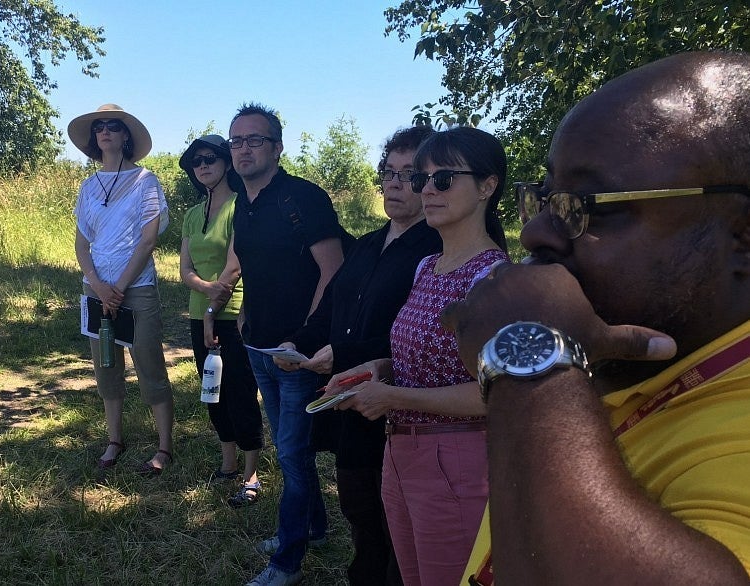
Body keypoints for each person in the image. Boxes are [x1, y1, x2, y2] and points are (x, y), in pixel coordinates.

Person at [441, 51, 750, 585]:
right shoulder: (615, 371)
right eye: (545, 196)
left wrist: (528, 350)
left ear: (743, 235)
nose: (537, 231)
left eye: (591, 204)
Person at [327, 127, 510, 586]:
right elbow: (424, 356)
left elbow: (497, 394)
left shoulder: (495, 280)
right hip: (401, 450)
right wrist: (380, 368)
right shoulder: (427, 266)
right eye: (420, 179)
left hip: (458, 460)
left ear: (487, 186)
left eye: (444, 179)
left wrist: (392, 397)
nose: (427, 189)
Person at [276, 125, 442, 585]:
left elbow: (424, 337)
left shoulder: (438, 248)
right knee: (359, 508)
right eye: (388, 171)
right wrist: (299, 341)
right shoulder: (368, 242)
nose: (394, 183)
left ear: (434, 180)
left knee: (396, 522)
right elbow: (333, 301)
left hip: (401, 405)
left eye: (410, 174)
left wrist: (344, 352)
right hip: (347, 399)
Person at [229, 103, 346, 586]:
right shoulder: (244, 203)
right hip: (258, 347)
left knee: (294, 457)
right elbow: (252, 269)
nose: (243, 149)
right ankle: (313, 525)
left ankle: (287, 561)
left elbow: (333, 271)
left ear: (277, 147)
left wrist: (306, 338)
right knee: (287, 449)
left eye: (254, 140)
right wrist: (242, 315)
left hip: (295, 355)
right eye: (236, 141)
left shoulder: (304, 198)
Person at [69, 103, 174, 476]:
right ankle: (114, 439)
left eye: (114, 126)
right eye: (99, 127)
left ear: (126, 135)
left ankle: (164, 446)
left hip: (137, 287)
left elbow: (147, 240)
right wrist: (99, 286)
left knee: (149, 363)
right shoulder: (87, 186)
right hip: (97, 289)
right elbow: (83, 244)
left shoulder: (146, 181)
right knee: (106, 366)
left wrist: (120, 287)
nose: (106, 131)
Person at [177, 134, 265, 507]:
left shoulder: (241, 207)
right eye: (196, 161)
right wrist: (203, 290)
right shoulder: (192, 214)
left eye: (210, 158)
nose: (202, 166)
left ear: (226, 162)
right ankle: (227, 462)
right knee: (212, 391)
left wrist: (215, 304)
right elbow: (184, 268)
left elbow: (235, 265)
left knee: (240, 391)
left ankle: (251, 474)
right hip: (201, 314)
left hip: (233, 315)